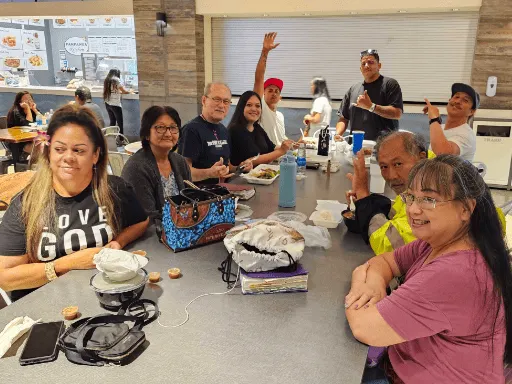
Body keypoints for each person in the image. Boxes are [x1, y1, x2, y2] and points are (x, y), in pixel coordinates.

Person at [345, 155, 511, 383]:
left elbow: (364, 327)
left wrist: (358, 280)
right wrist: (372, 283)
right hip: (401, 366)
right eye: (411, 196)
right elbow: (384, 262)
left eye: (429, 199)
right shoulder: (437, 242)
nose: (413, 209)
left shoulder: (456, 272)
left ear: (466, 208)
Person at [0, 104, 149, 302]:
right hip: (46, 309)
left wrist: (118, 242)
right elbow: (6, 278)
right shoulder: (26, 204)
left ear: (95, 155)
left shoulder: (114, 189)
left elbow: (141, 221)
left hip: (107, 299)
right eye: (60, 149)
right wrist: (65, 264)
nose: (68, 157)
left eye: (79, 150)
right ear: (49, 152)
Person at [346, 131, 505, 255]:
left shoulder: (438, 186)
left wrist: (364, 196)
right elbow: (398, 213)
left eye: (398, 164)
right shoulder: (422, 177)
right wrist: (364, 203)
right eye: (384, 167)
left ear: (421, 157)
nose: (391, 176)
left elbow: (392, 245)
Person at [122, 106, 191, 224]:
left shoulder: (179, 161)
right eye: (160, 128)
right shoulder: (136, 168)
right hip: (151, 235)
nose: (168, 133)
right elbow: (147, 218)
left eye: (173, 128)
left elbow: (190, 199)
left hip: (182, 229)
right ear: (147, 134)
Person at [178, 82, 253, 185]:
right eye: (217, 99)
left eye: (226, 101)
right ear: (204, 100)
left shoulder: (223, 130)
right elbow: (183, 173)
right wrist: (209, 173)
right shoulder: (191, 130)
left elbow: (227, 167)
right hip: (199, 196)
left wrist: (241, 167)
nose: (222, 105)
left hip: (224, 191)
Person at [335, 49, 403, 142]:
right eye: (363, 64)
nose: (366, 66)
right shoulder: (353, 89)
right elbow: (344, 118)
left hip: (383, 148)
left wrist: (371, 107)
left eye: (370, 62)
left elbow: (397, 113)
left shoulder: (390, 84)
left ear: (379, 65)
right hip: (355, 147)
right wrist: (337, 134)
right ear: (360, 69)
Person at [228, 91, 294, 166]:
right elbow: (252, 160)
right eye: (249, 105)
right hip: (241, 176)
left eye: (257, 106)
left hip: (261, 174)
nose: (254, 109)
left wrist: (289, 145)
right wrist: (281, 151)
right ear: (241, 107)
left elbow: (272, 148)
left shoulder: (257, 128)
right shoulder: (235, 130)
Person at [423, 83, 478, 162]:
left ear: (471, 111)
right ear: (449, 101)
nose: (458, 101)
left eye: (465, 100)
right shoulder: (440, 127)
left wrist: (434, 119)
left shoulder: (466, 134)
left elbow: (443, 153)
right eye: (456, 97)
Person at [253, 32, 288, 146]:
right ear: (263, 94)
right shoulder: (261, 107)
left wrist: (295, 143)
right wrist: (265, 52)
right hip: (266, 159)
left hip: (280, 158)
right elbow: (259, 78)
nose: (274, 93)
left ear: (280, 97)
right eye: (270, 90)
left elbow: (281, 140)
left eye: (277, 91)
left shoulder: (280, 116)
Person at [103, 68, 132, 135]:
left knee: (112, 122)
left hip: (107, 103)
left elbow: (112, 91)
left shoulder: (107, 80)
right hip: (115, 104)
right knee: (120, 124)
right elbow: (124, 91)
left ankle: (110, 139)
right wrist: (130, 91)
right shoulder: (116, 80)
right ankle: (121, 140)